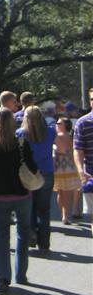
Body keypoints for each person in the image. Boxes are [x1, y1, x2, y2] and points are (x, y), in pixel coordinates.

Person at [0, 108, 38, 293]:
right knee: (23, 234)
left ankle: (3, 277)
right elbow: (33, 167)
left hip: (0, 197)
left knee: (2, 236)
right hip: (21, 194)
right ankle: (21, 273)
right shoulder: (21, 143)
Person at [17, 106, 55, 252]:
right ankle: (44, 244)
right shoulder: (50, 132)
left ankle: (31, 234)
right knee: (44, 210)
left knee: (29, 208)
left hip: (28, 173)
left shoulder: (21, 133)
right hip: (46, 171)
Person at [72, 86, 93, 220]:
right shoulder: (82, 123)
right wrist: (80, 170)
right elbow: (78, 149)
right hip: (90, 175)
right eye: (92, 99)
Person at [53, 118, 78, 225]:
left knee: (60, 192)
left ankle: (63, 214)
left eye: (59, 123)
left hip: (59, 166)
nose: (56, 124)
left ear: (64, 125)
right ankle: (65, 215)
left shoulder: (58, 136)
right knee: (67, 193)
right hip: (69, 166)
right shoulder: (70, 136)